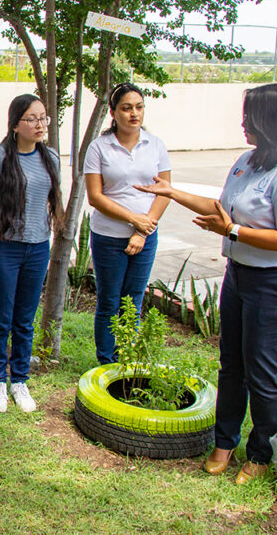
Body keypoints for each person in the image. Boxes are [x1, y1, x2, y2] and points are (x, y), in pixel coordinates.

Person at [136, 83, 277, 484]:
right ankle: (225, 443)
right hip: (239, 275)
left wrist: (233, 230)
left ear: (273, 121)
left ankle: (260, 453)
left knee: (261, 370)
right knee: (231, 365)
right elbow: (221, 209)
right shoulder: (249, 161)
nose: (243, 123)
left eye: (250, 117)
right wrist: (173, 192)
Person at [0, 94, 63, 413]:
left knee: (25, 319)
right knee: (2, 316)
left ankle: (20, 381)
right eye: (32, 119)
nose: (40, 125)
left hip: (38, 248)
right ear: (15, 124)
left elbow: (50, 201)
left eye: (44, 118)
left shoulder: (50, 157)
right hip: (4, 247)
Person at [84, 82, 171, 364]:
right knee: (110, 302)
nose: (134, 113)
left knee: (133, 301)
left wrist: (143, 230)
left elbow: (165, 190)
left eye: (139, 107)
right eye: (126, 108)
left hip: (145, 237)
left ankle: (127, 360)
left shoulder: (156, 145)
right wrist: (134, 220)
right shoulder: (99, 147)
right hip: (108, 236)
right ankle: (107, 363)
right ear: (113, 112)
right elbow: (95, 197)